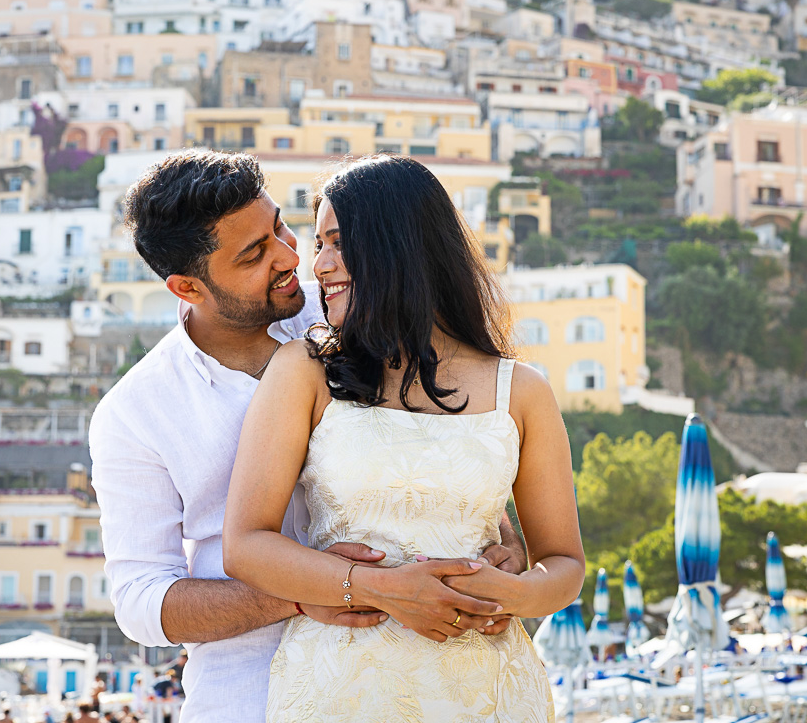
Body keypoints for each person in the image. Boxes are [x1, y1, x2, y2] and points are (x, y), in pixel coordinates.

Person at [89, 150, 526, 722]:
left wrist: (500, 543)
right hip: (249, 699)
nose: (290, 256)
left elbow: (447, 427)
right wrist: (309, 592)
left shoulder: (348, 304)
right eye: (253, 254)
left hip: (420, 684)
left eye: (279, 227)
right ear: (187, 287)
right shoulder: (136, 411)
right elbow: (142, 603)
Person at [223, 154, 585, 720]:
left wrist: (513, 595)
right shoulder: (304, 370)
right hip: (342, 689)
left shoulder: (524, 391)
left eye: (338, 244)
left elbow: (563, 563)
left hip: (486, 690)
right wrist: (371, 587)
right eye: (319, 245)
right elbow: (245, 544)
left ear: (401, 246)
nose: (320, 266)